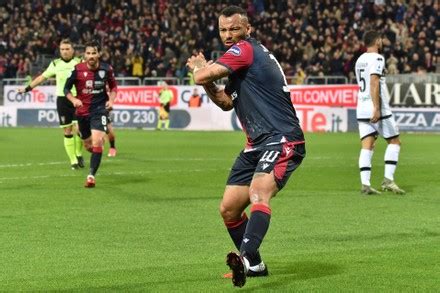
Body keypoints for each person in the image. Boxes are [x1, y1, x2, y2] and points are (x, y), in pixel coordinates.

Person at [186, 6, 305, 288]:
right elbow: (227, 102)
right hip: (256, 144)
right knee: (229, 209)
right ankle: (256, 266)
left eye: (234, 29)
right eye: (223, 30)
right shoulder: (238, 61)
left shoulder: (245, 50)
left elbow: (201, 76)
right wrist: (207, 80)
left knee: (258, 192)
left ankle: (247, 254)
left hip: (281, 138)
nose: (228, 35)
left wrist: (200, 68)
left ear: (247, 29)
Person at [18, 39, 84, 170]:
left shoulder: (80, 63)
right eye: (62, 49)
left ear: (72, 50)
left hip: (78, 98)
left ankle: (78, 154)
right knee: (67, 130)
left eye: (67, 49)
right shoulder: (55, 64)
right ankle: (73, 162)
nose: (65, 52)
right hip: (63, 100)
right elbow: (42, 77)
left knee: (80, 129)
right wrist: (27, 88)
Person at [354, 31, 405, 195]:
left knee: (367, 145)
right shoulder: (377, 58)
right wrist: (376, 107)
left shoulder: (360, 59)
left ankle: (365, 184)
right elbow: (374, 81)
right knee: (395, 142)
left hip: (361, 107)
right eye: (381, 40)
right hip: (376, 108)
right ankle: (388, 180)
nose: (382, 42)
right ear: (377, 41)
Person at [64, 41, 118, 188]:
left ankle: (91, 176)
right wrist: (73, 99)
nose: (91, 56)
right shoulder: (77, 70)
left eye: (93, 53)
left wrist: (111, 101)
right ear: (84, 55)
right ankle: (98, 144)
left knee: (97, 142)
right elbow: (66, 89)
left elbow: (114, 87)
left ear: (98, 54)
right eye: (88, 53)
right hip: (82, 112)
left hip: (99, 110)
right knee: (88, 146)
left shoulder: (107, 69)